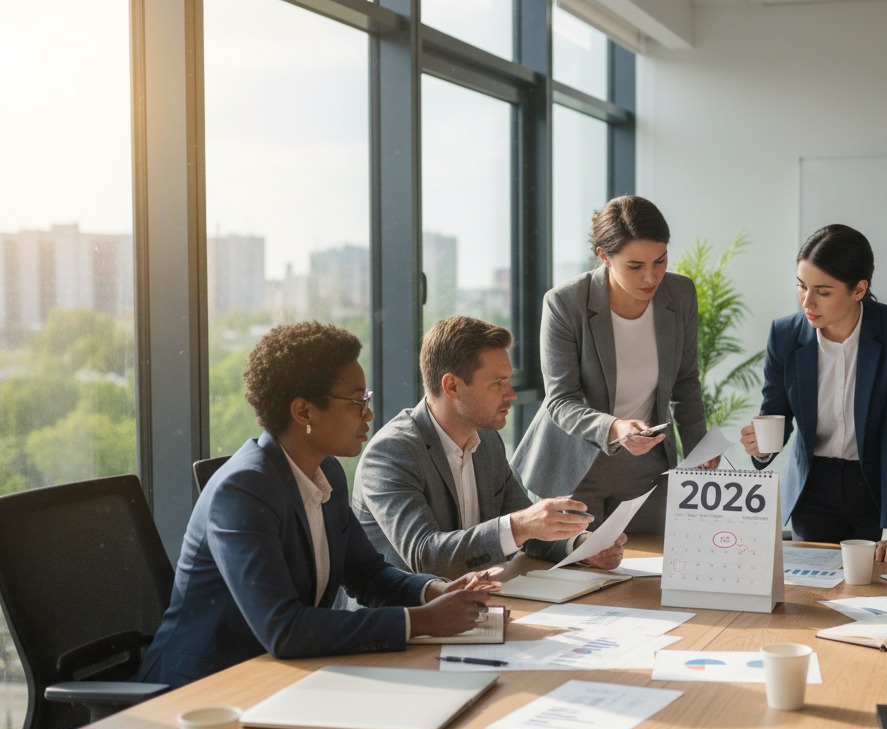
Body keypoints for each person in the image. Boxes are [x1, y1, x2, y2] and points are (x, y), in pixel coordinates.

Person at [138, 321, 499, 688]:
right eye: (357, 402)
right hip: (203, 690)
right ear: (304, 412)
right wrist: (421, 621)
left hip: (283, 676)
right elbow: (284, 627)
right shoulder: (242, 490)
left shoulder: (325, 472)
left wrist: (434, 591)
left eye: (367, 400)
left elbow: (367, 574)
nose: (368, 415)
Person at [352, 316, 626, 577]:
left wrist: (583, 546)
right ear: (452, 386)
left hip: (474, 603)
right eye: (497, 383)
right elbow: (426, 556)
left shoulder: (487, 442)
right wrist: (520, 525)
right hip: (405, 618)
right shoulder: (391, 453)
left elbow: (528, 531)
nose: (511, 394)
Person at [739, 224, 887, 562]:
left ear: (858, 289)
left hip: (879, 490)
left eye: (823, 291)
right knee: (813, 595)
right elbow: (776, 414)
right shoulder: (785, 335)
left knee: (882, 592)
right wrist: (761, 448)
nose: (807, 301)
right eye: (801, 286)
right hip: (813, 492)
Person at [512, 195, 713, 534]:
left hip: (645, 467)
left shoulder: (679, 294)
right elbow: (561, 400)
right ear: (603, 256)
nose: (651, 277)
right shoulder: (566, 303)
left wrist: (699, 449)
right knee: (577, 572)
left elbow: (685, 381)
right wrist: (616, 428)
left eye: (660, 261)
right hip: (573, 465)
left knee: (647, 572)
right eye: (635, 266)